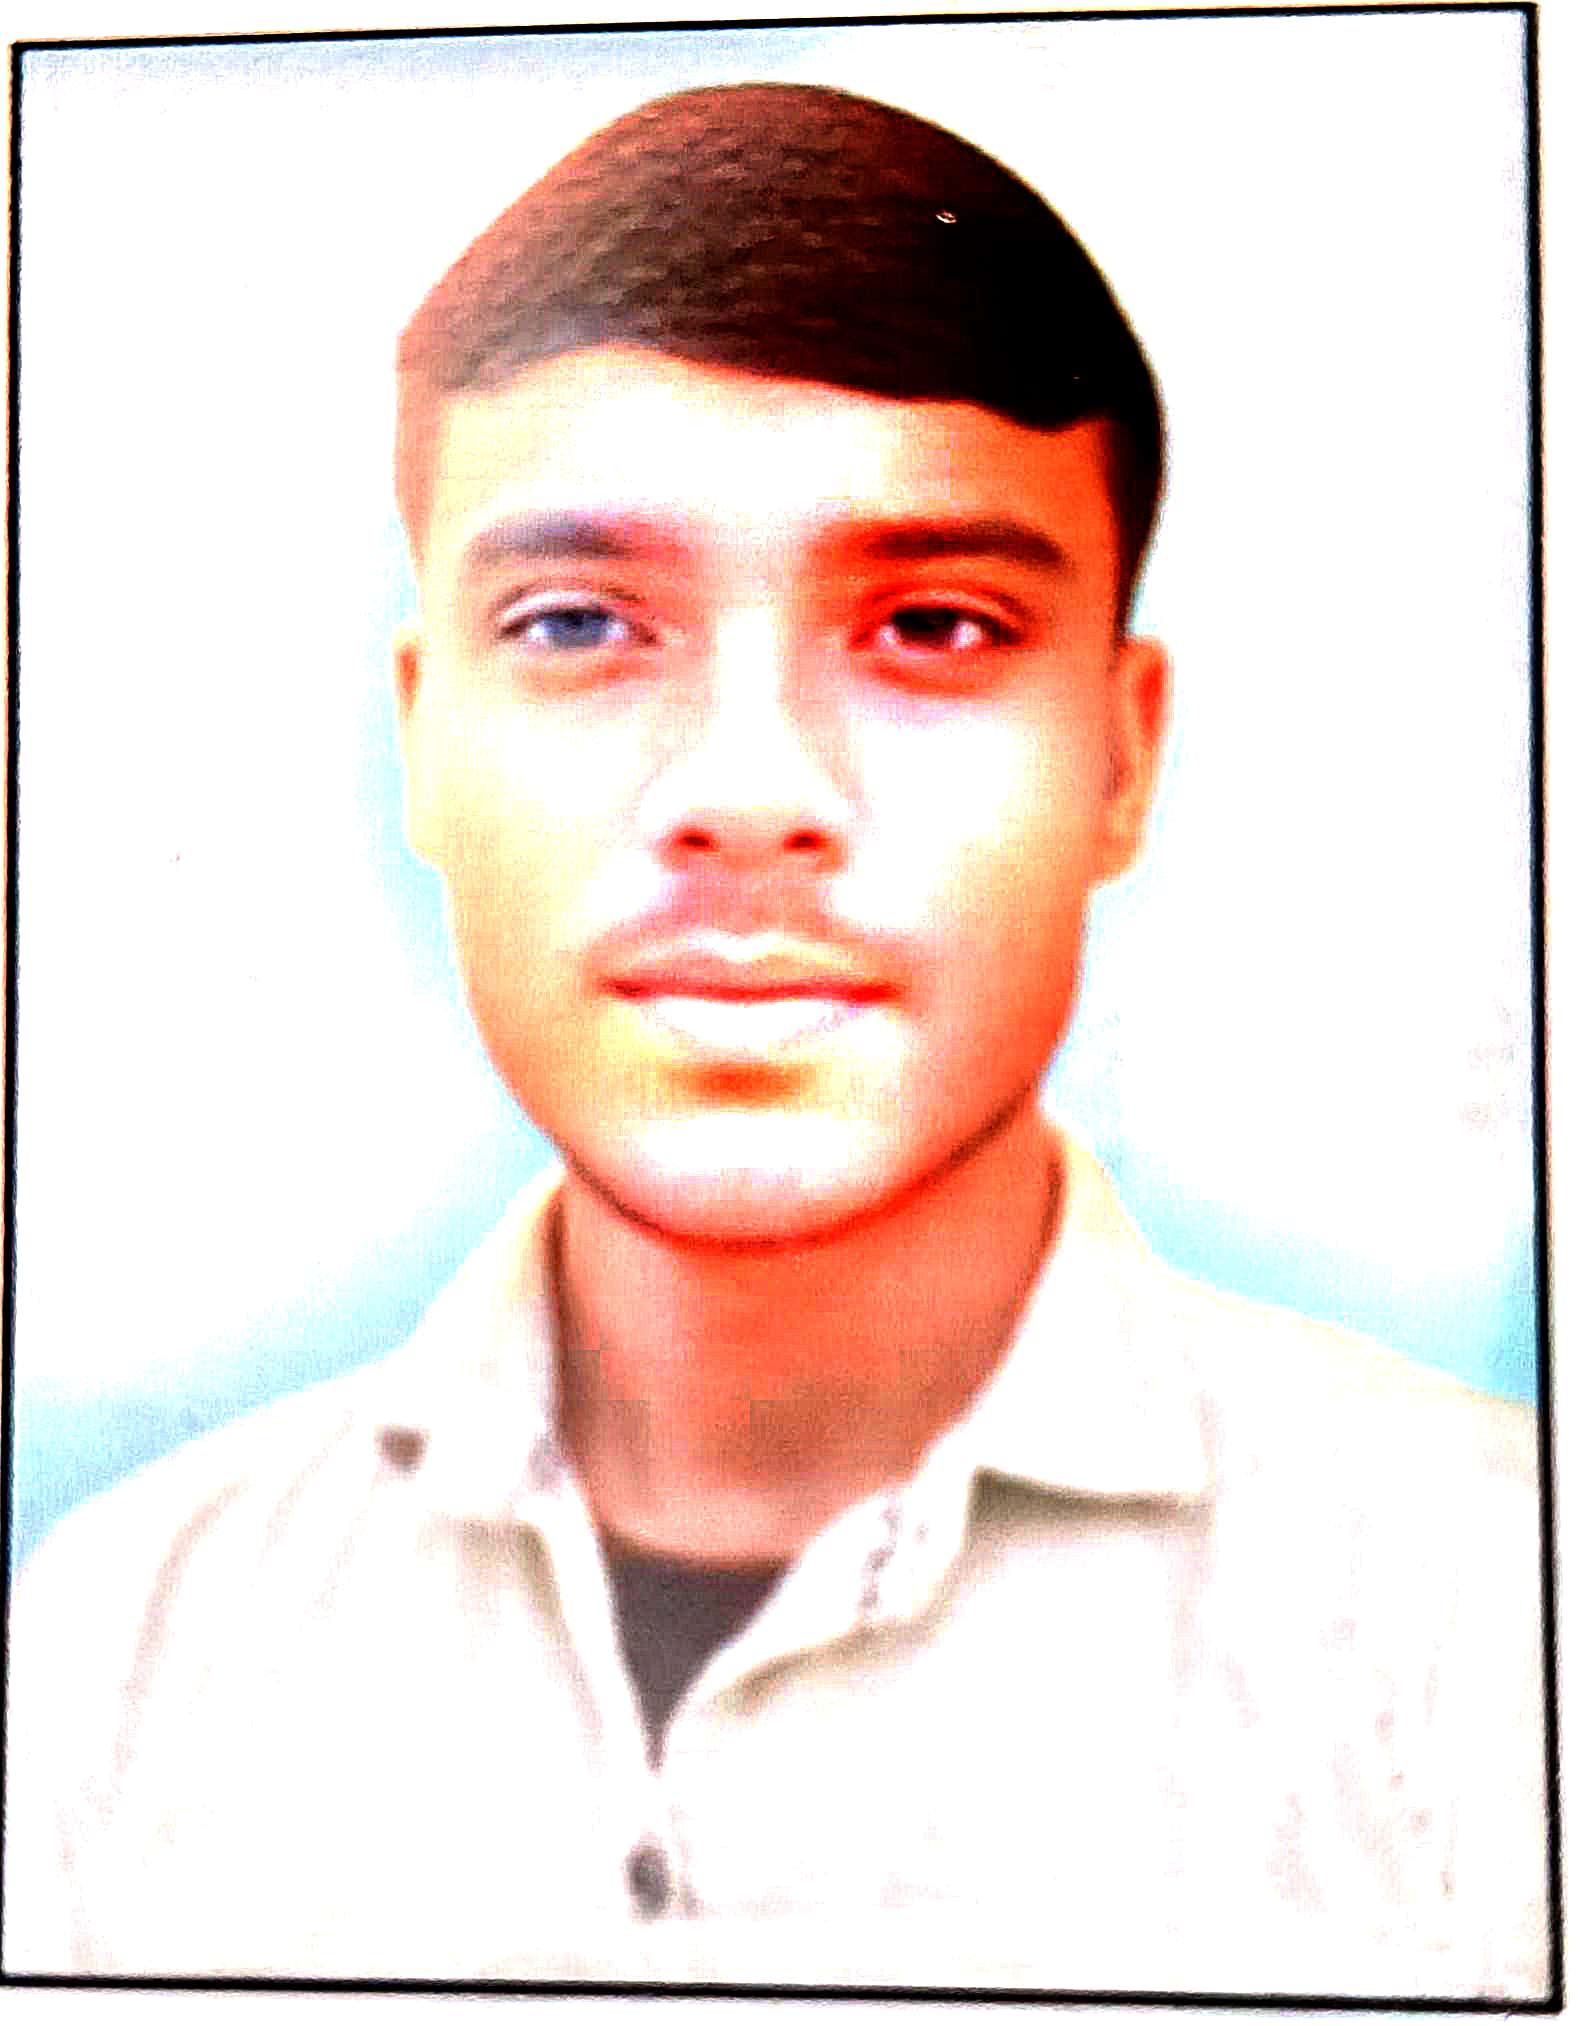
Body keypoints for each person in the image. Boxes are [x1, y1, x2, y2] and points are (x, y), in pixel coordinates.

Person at [4, 82, 1547, 1995]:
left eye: (937, 626)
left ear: (1122, 752)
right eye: (577, 624)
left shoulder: (1500, 1624)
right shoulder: (123, 1644)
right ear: (420, 736)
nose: (746, 794)